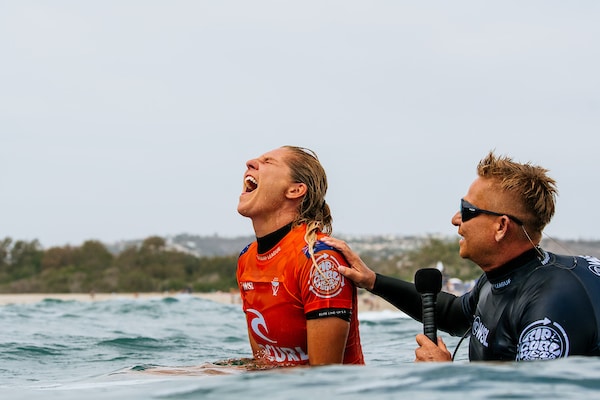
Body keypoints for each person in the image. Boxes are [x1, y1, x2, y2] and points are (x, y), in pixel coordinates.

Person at [321, 151, 600, 362]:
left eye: (467, 210)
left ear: (501, 226)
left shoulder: (552, 305)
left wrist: (447, 380)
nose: (456, 219)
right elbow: (454, 314)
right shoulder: (500, 279)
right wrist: (373, 281)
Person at [236, 145, 364, 367]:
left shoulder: (320, 260)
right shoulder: (247, 258)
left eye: (268, 162)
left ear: (295, 190)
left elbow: (324, 378)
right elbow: (263, 364)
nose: (250, 162)